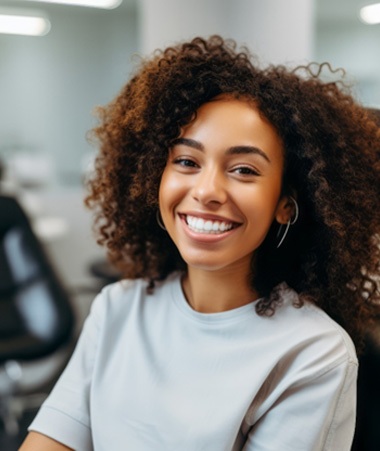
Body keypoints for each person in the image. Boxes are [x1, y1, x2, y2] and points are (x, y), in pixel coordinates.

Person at [20, 35, 380, 451]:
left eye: (244, 170)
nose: (207, 190)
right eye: (187, 162)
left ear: (286, 203)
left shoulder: (312, 354)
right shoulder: (116, 310)